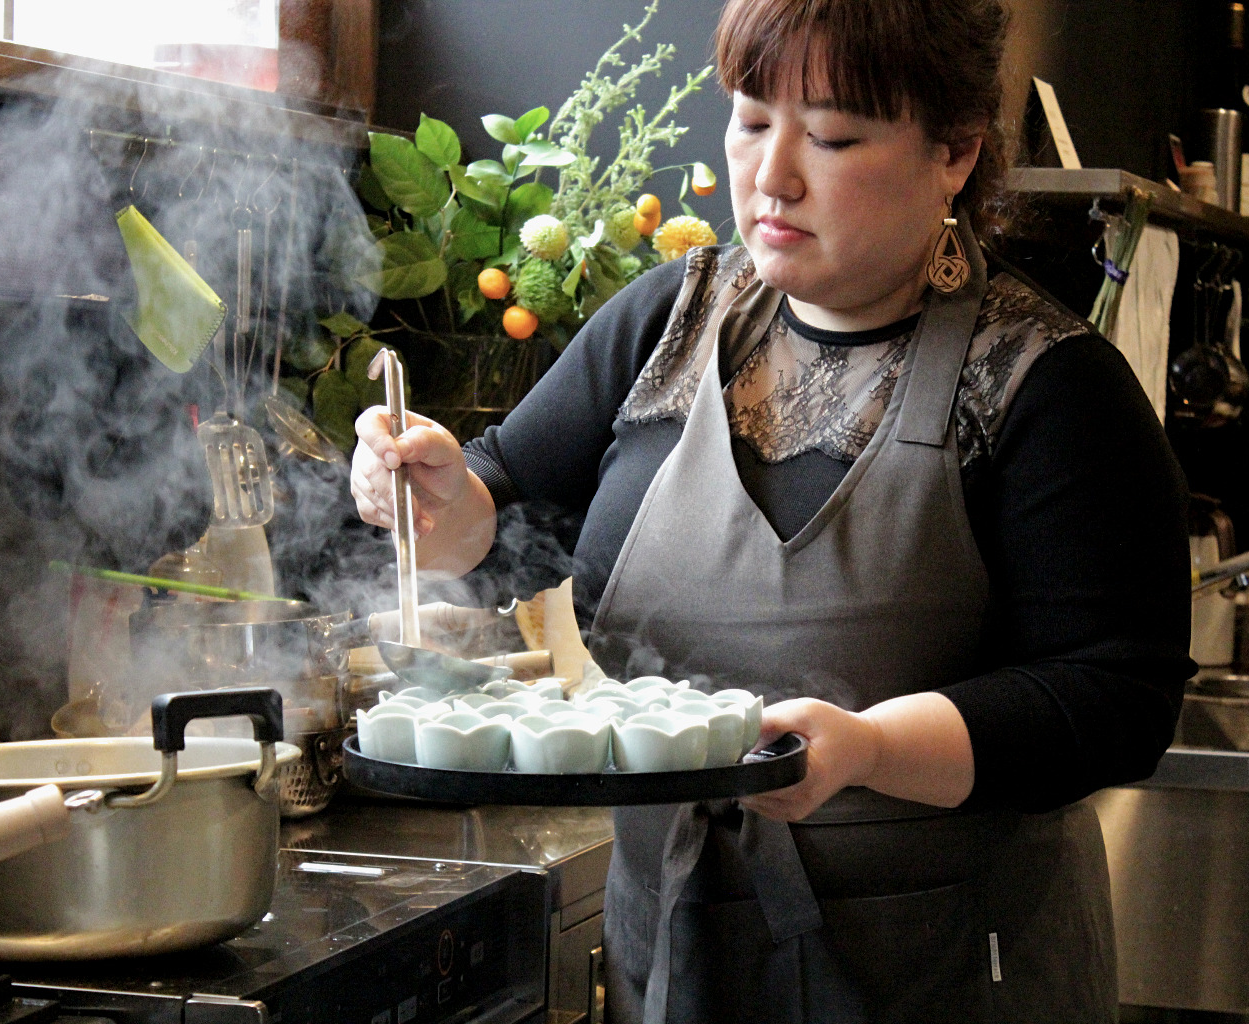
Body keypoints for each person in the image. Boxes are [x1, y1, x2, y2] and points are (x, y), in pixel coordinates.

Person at [351, 0, 1193, 1020]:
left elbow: (1116, 699)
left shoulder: (1044, 384)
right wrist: (439, 504)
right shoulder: (665, 322)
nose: (773, 175)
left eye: (834, 136)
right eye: (751, 119)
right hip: (676, 941)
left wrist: (870, 747)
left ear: (956, 152)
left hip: (947, 969)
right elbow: (500, 507)